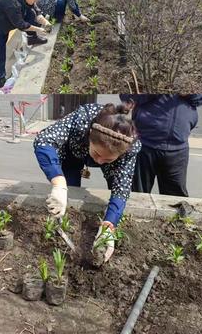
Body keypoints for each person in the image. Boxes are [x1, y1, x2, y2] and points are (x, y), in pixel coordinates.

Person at [33, 103, 142, 265]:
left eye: (107, 159)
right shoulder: (82, 119)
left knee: (116, 194)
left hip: (111, 159)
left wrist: (109, 225)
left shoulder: (129, 147)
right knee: (69, 191)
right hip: (73, 153)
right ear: (90, 134)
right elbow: (43, 141)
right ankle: (65, 224)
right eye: (97, 154)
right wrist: (58, 183)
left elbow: (122, 187)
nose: (99, 161)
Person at [119, 94, 202, 196]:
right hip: (144, 144)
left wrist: (189, 94)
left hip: (178, 149)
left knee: (176, 199)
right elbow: (125, 96)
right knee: (136, 195)